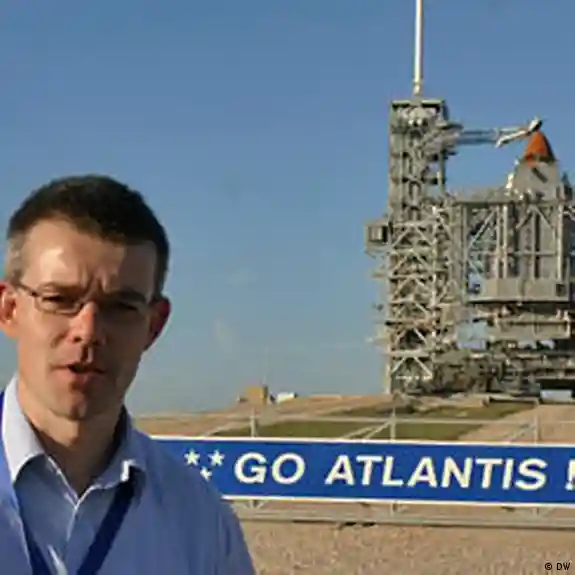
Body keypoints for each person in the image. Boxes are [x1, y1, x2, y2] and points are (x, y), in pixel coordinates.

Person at [0, 174, 256, 574]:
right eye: (59, 299)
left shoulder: (200, 520)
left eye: (121, 306)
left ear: (154, 325)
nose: (88, 330)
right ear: (9, 309)